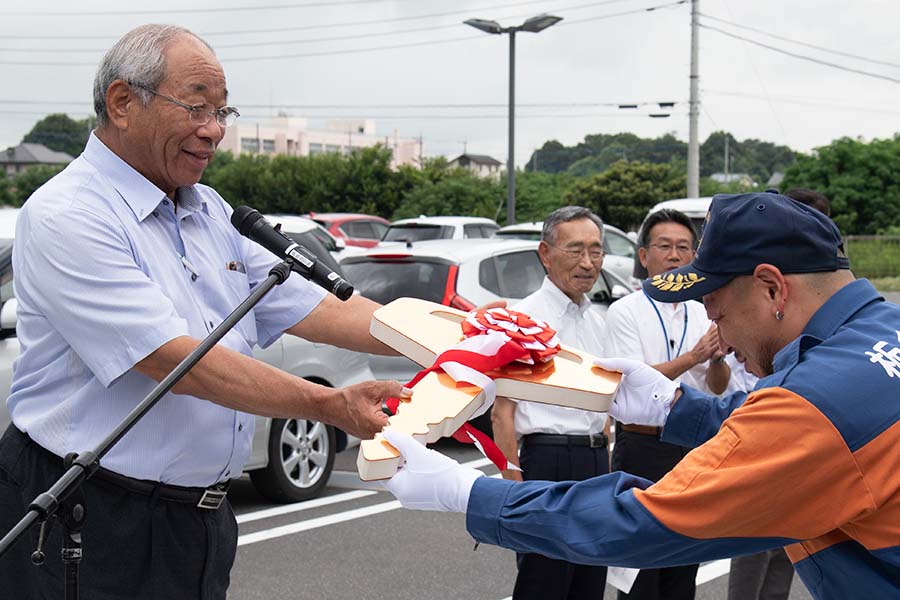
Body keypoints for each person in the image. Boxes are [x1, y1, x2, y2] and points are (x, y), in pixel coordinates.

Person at [0, 24, 409, 600]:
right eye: (197, 108)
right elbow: (183, 365)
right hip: (91, 514)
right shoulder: (68, 213)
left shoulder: (213, 210)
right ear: (122, 102)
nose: (214, 131)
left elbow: (323, 310)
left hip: (198, 519)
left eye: (223, 112)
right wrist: (329, 405)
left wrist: (465, 339)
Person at [382, 191, 900, 599]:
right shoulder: (880, 333)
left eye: (715, 308)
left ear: (772, 288)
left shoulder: (813, 402)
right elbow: (806, 429)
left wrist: (470, 494)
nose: (717, 328)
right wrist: (674, 408)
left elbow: (648, 522)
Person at [604, 208, 729, 600]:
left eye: (684, 247)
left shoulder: (702, 309)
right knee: (640, 565)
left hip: (692, 446)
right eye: (664, 246)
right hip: (641, 444)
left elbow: (717, 387)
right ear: (643, 256)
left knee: (683, 562)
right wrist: (693, 357)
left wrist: (717, 358)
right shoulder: (625, 309)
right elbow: (630, 381)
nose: (675, 256)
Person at [491, 206, 611, 600]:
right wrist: (515, 490)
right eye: (575, 250)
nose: (587, 262)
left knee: (589, 582)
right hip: (546, 459)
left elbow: (604, 406)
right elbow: (503, 412)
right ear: (545, 253)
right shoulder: (523, 318)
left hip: (595, 464)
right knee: (544, 583)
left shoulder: (597, 320)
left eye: (596, 251)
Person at [724, 187, 831, 600]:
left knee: (788, 552)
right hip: (759, 427)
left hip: (804, 440)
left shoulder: (826, 290)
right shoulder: (754, 288)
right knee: (751, 548)